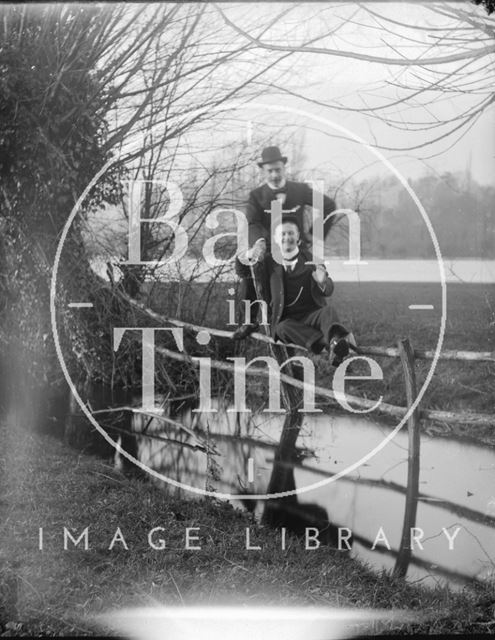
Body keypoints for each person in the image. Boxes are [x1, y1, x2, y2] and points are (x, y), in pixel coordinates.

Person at [232, 145, 338, 340]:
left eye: (278, 169)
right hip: (270, 249)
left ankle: (325, 326)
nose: (274, 174)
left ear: (284, 168)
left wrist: (313, 236)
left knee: (315, 279)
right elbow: (253, 222)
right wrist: (259, 244)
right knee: (249, 273)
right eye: (270, 171)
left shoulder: (300, 190)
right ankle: (249, 321)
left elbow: (329, 206)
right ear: (263, 171)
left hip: (295, 247)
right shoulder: (257, 196)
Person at [236, 217, 356, 367]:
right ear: (276, 239)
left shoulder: (312, 259)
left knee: (328, 311)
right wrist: (249, 254)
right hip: (288, 321)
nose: (287, 238)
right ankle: (333, 343)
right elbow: (243, 272)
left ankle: (335, 343)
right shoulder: (268, 262)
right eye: (283, 234)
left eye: (291, 233)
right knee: (282, 328)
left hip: (312, 315)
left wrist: (322, 282)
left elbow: (329, 290)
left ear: (298, 236)